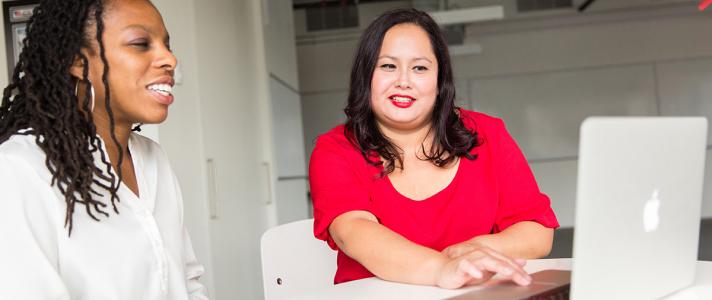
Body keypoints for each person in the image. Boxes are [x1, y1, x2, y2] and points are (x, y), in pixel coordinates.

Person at [309, 8, 559, 289]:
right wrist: (442, 268)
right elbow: (353, 231)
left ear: (440, 82)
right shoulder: (335, 149)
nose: (403, 81)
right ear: (365, 76)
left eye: (420, 68)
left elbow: (537, 232)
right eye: (388, 66)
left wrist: (471, 253)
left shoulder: (488, 134)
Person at [0, 0, 208, 299]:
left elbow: (187, 281)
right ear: (78, 62)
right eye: (140, 44)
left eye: (166, 45)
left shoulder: (153, 158)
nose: (170, 59)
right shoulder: (19, 169)